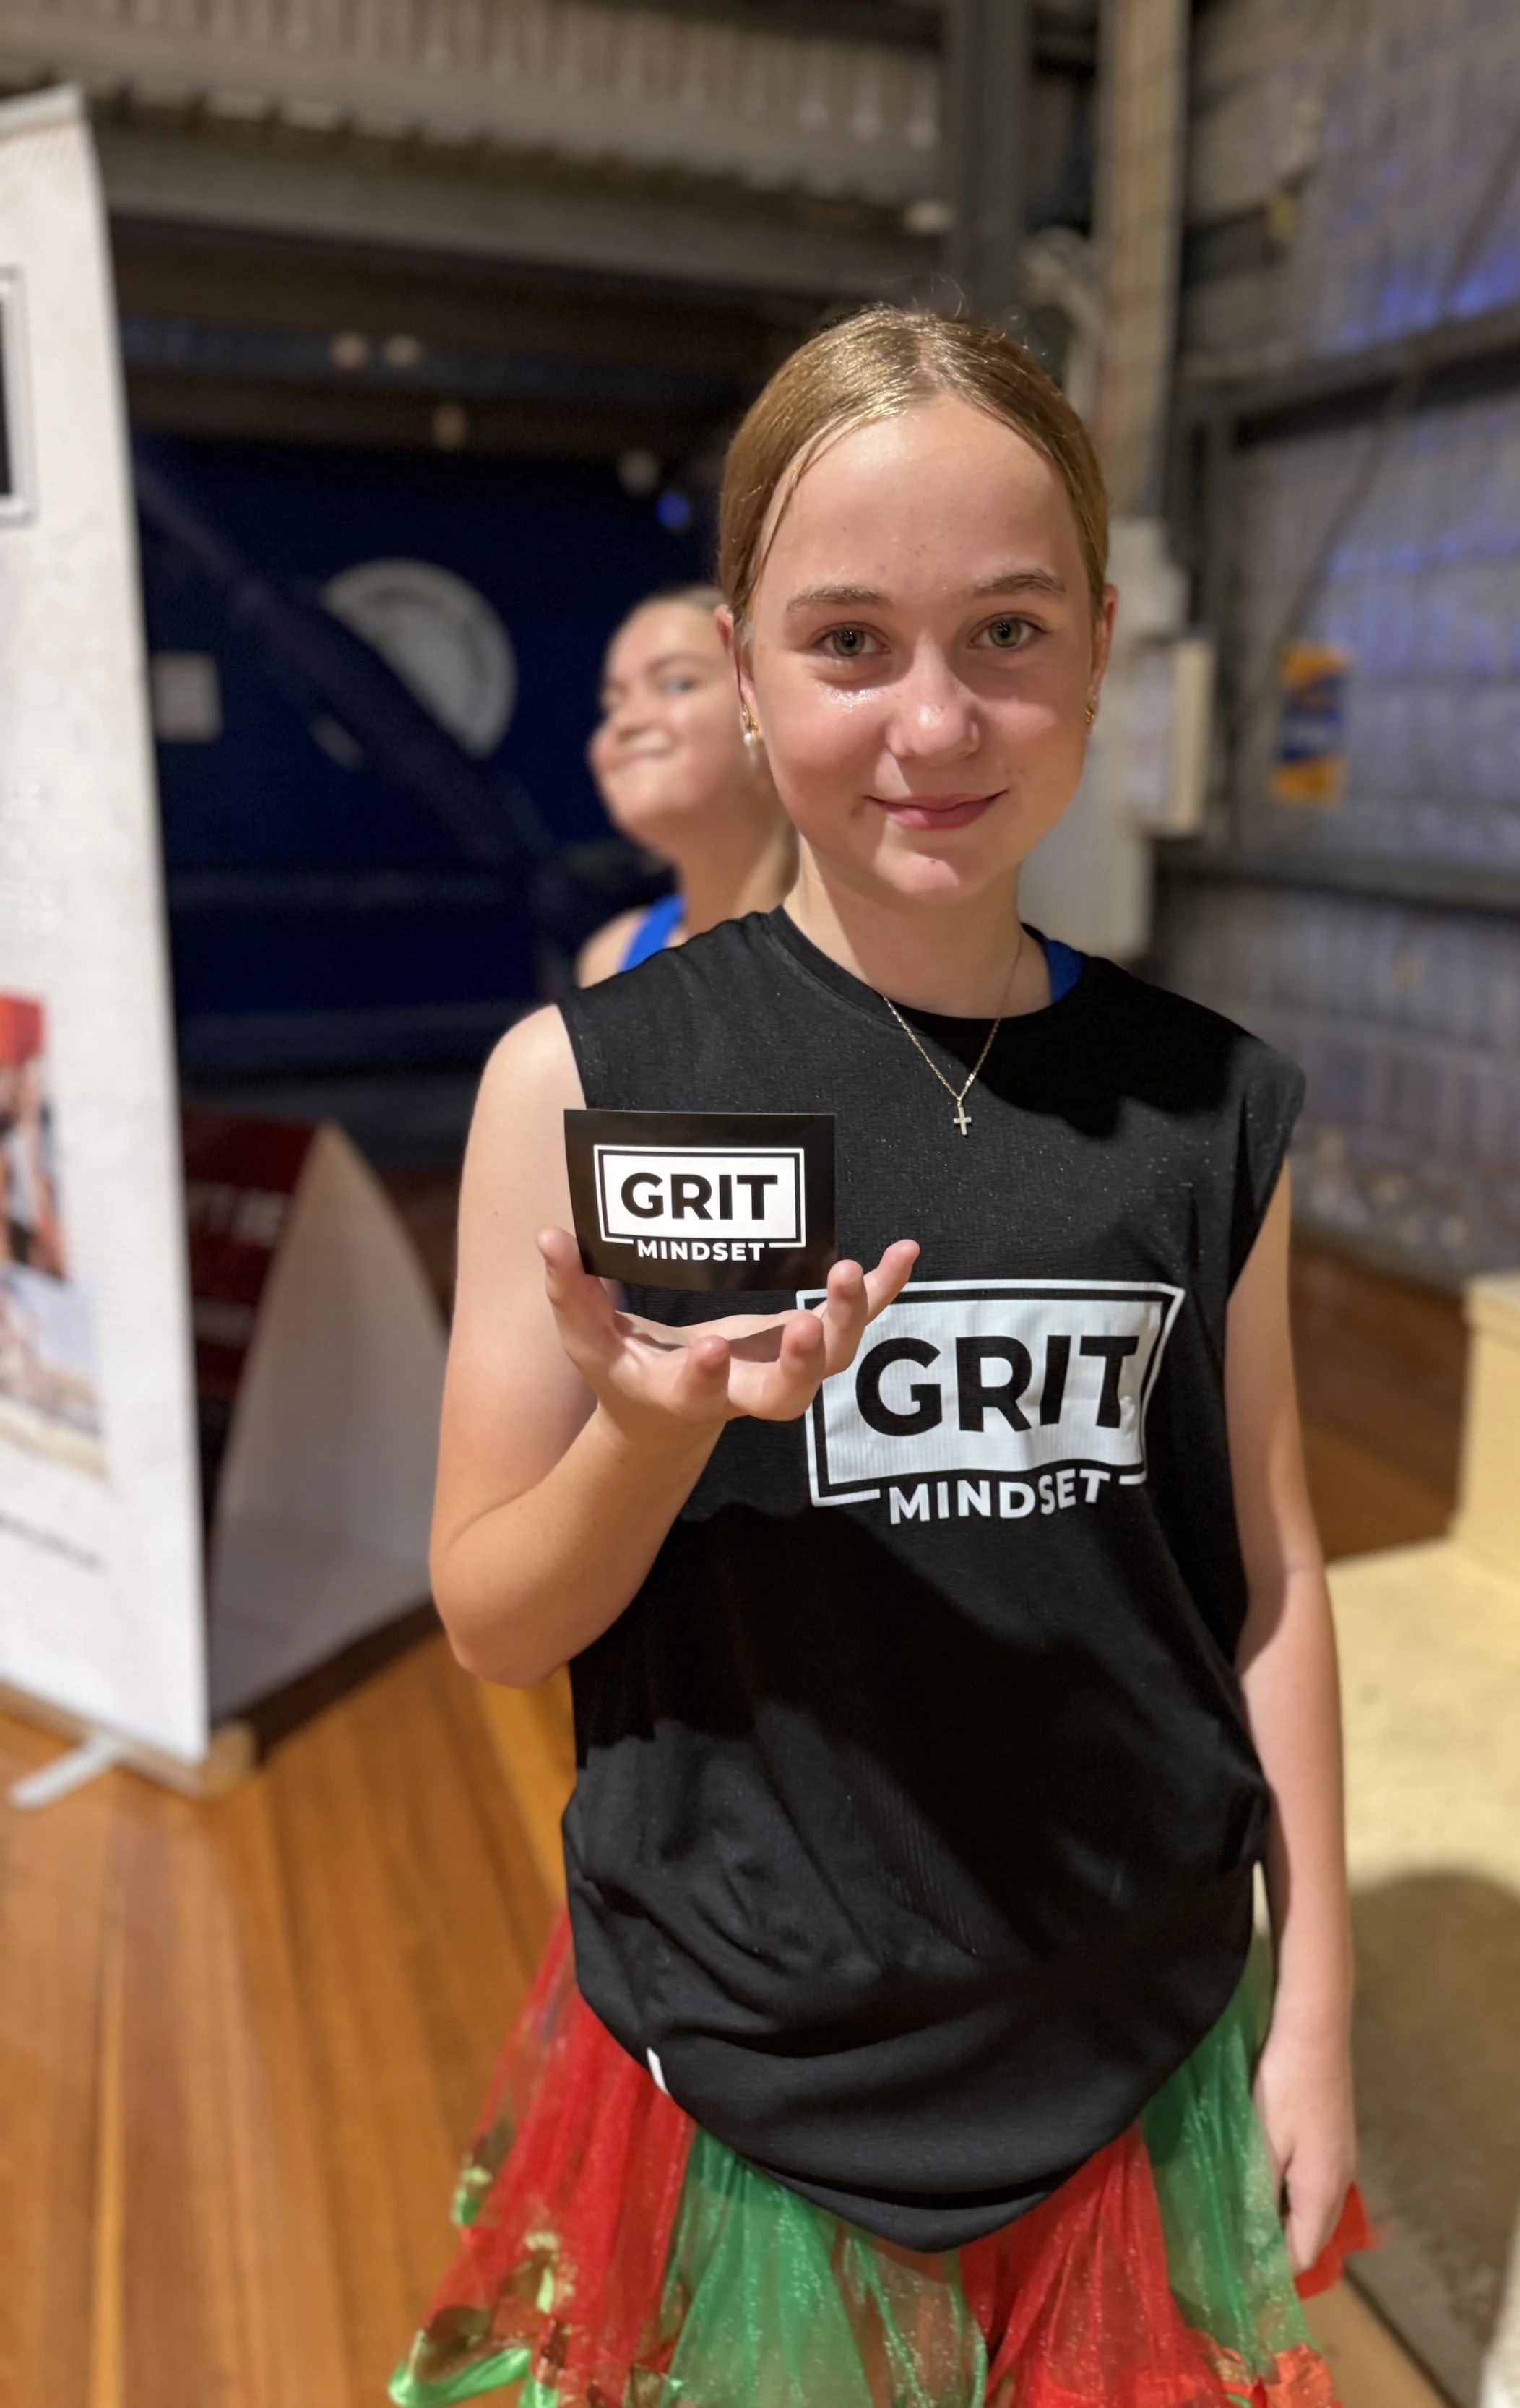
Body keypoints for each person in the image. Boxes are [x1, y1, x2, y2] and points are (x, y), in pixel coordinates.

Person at [394, 307, 1365, 2408]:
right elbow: (488, 1610)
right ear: (743, 663)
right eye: (847, 641)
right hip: (754, 2064)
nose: (934, 719)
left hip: (1137, 2040)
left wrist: (1317, 2010)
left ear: (1098, 646)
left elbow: (1264, 1575)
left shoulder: (1213, 1104)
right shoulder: (584, 1080)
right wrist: (646, 1434)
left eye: (1004, 631)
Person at [577, 582, 793, 985]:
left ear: (766, 712)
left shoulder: (870, 948)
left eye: (677, 684)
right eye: (613, 704)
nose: (625, 722)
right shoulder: (612, 960)